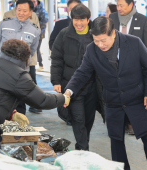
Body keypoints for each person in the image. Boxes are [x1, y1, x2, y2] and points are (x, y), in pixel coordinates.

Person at [64, 16, 147, 170]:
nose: (100, 44)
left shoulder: (134, 43)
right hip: (113, 101)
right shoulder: (92, 49)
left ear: (113, 33)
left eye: (103, 40)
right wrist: (69, 90)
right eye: (96, 40)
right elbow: (82, 73)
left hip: (138, 99)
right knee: (116, 141)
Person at [51, 4, 105, 151]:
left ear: (88, 20)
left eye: (82, 19)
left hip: (92, 85)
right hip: (71, 85)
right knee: (78, 119)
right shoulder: (64, 34)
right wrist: (56, 80)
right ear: (71, 19)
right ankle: (83, 149)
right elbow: (56, 58)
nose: (79, 23)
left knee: (88, 119)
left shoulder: (95, 35)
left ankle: (82, 146)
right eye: (76, 19)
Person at [109, 0, 147, 135]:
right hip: (115, 64)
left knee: (134, 95)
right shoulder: (112, 18)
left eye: (122, 5)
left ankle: (132, 122)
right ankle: (121, 122)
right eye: (117, 5)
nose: (119, 8)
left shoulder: (143, 20)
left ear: (131, 5)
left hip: (135, 65)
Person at [3, 0, 41, 114]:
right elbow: (0, 40)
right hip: (8, 59)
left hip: (27, 60)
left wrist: (27, 55)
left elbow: (36, 36)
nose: (21, 12)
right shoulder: (8, 15)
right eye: (19, 10)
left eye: (25, 10)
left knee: (28, 84)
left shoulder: (33, 15)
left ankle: (34, 105)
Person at [31, 0, 48, 71]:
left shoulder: (41, 10)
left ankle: (40, 64)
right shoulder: (29, 9)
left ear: (37, 1)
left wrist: (36, 26)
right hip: (31, 33)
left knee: (36, 49)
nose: (33, 3)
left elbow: (45, 20)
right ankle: (38, 64)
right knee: (33, 49)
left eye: (34, 1)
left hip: (39, 33)